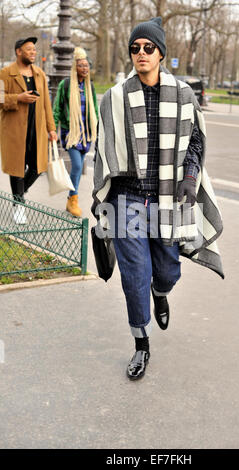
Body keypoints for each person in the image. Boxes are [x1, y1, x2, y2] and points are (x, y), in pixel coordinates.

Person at [92, 17, 224, 380]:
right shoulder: (115, 97)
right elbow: (103, 150)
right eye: (135, 48)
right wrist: (102, 201)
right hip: (128, 201)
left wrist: (191, 177)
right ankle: (141, 346)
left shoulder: (183, 95)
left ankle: (161, 292)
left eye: (148, 47)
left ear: (161, 53)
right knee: (134, 277)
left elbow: (196, 140)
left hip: (168, 199)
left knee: (167, 271)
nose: (140, 54)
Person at [0, 37, 57, 224]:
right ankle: (19, 205)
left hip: (37, 129)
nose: (33, 52)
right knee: (17, 168)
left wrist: (51, 128)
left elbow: (47, 104)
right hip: (14, 130)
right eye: (29, 49)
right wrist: (18, 98)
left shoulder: (39, 74)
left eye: (34, 50)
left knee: (37, 167)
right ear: (18, 51)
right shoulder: (5, 73)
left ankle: (20, 193)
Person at [53, 47, 98, 217]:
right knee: (77, 166)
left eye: (87, 66)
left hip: (85, 135)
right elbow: (57, 108)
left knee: (78, 170)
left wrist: (98, 128)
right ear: (75, 68)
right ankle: (73, 200)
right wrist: (53, 129)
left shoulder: (89, 87)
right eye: (81, 66)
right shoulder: (65, 85)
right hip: (70, 134)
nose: (85, 69)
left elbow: (94, 108)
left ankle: (70, 201)